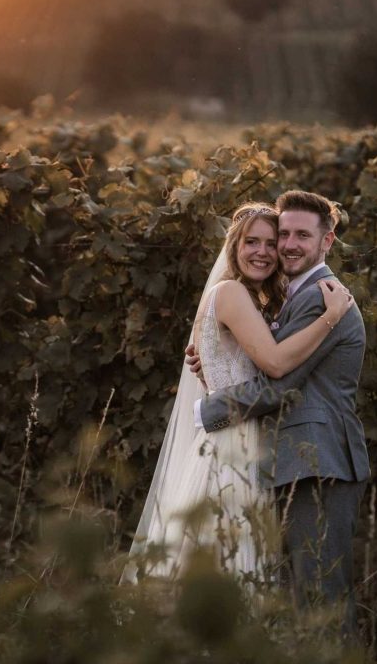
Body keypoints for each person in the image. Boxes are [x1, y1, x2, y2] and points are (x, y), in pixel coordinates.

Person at [124, 200, 354, 587]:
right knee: (223, 567)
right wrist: (331, 318)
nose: (263, 252)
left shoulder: (255, 301)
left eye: (271, 242)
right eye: (253, 242)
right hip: (231, 449)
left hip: (247, 445)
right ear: (235, 245)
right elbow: (278, 365)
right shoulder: (231, 292)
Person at [191, 190, 369, 641]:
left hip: (318, 463)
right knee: (300, 596)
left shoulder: (322, 299)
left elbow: (279, 383)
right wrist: (214, 359)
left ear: (327, 241)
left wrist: (207, 408)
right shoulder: (291, 297)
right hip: (294, 463)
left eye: (300, 236)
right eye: (282, 233)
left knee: (321, 597)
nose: (286, 245)